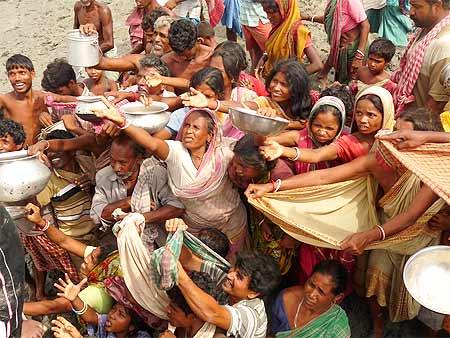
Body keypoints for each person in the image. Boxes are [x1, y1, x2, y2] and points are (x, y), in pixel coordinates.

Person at [245, 109, 446, 336]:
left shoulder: (433, 171)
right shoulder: (381, 160)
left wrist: (368, 236)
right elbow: (322, 177)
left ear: (422, 142)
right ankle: (378, 325)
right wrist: (273, 187)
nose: (394, 140)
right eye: (395, 131)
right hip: (385, 237)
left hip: (418, 240)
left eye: (403, 137)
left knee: (418, 292)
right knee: (375, 286)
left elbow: (409, 216)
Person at [93, 101, 248, 254]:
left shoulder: (225, 152)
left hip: (231, 226)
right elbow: (152, 144)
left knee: (232, 269)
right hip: (194, 233)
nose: (188, 131)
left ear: (209, 135)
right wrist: (122, 122)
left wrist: (215, 104)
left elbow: (254, 146)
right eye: (186, 125)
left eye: (195, 127)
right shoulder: (175, 152)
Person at [261, 86, 394, 166]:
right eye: (358, 113)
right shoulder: (347, 142)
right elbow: (316, 155)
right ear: (310, 122)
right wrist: (265, 122)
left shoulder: (394, 142)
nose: (322, 132)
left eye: (371, 115)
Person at [90, 134, 184, 245]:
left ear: (138, 159)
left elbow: (177, 207)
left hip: (156, 239)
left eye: (123, 162)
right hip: (120, 240)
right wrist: (130, 201)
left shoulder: (155, 174)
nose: (116, 167)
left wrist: (141, 218)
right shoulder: (103, 176)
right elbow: (97, 216)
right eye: (112, 160)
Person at [228, 135, 297, 275]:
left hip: (284, 232)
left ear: (262, 165)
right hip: (264, 226)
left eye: (244, 167)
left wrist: (291, 238)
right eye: (236, 163)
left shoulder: (281, 177)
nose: (238, 170)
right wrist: (261, 222)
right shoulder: (250, 173)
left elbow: (296, 213)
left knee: (272, 269)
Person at [182, 59, 311, 130]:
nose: (276, 87)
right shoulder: (264, 103)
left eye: (284, 85)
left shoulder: (310, 103)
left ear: (297, 88)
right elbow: (241, 106)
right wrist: (209, 103)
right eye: (275, 81)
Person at [176, 251, 281, 338]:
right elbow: (189, 261)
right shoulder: (228, 283)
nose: (230, 275)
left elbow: (213, 314)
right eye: (234, 268)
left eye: (239, 276)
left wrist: (181, 278)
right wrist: (175, 230)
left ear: (253, 293)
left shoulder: (252, 317)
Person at [260, 96, 347, 174]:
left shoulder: (344, 142)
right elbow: (264, 141)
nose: (322, 132)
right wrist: (266, 119)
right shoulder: (300, 137)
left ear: (339, 128)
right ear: (310, 122)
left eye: (329, 128)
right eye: (317, 125)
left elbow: (315, 155)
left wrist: (284, 150)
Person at [391, 0, 450, 114]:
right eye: (411, 5)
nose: (411, 12)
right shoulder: (425, 31)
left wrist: (409, 128)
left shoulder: (444, 44)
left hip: (420, 124)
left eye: (417, 7)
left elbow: (435, 106)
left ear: (437, 6)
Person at [52, 274, 152, 338]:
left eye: (121, 314)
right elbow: (92, 317)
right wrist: (74, 299)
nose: (112, 315)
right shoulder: (108, 324)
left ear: (132, 326)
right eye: (113, 309)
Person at [272, 260, 350, 338]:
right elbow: (273, 332)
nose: (312, 294)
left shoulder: (336, 323)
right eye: (311, 285)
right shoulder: (286, 298)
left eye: (321, 292)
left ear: (337, 297)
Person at [303, 0, 370, 84]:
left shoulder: (351, 2)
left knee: (352, 82)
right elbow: (331, 19)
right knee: (340, 80)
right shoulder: (334, 2)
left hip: (353, 50)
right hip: (340, 49)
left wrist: (359, 56)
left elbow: (366, 26)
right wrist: (308, 18)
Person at [257, 0, 323, 76]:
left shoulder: (298, 31)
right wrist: (264, 58)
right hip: (271, 75)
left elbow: (317, 65)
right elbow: (271, 49)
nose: (268, 17)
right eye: (266, 12)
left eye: (272, 13)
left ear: (284, 10)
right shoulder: (279, 27)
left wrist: (291, 77)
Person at [0, 54, 47, 147]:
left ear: (32, 74)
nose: (17, 78)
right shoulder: (4, 100)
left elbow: (73, 100)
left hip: (40, 153)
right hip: (15, 154)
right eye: (12, 74)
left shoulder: (43, 98)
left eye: (22, 73)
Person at [160, 271, 224, 338]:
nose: (167, 309)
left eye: (174, 309)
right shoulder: (182, 328)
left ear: (194, 317)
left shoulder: (217, 336)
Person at [240, 0, 272, 71]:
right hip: (257, 16)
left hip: (249, 15)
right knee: (270, 50)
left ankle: (254, 76)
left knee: (257, 52)